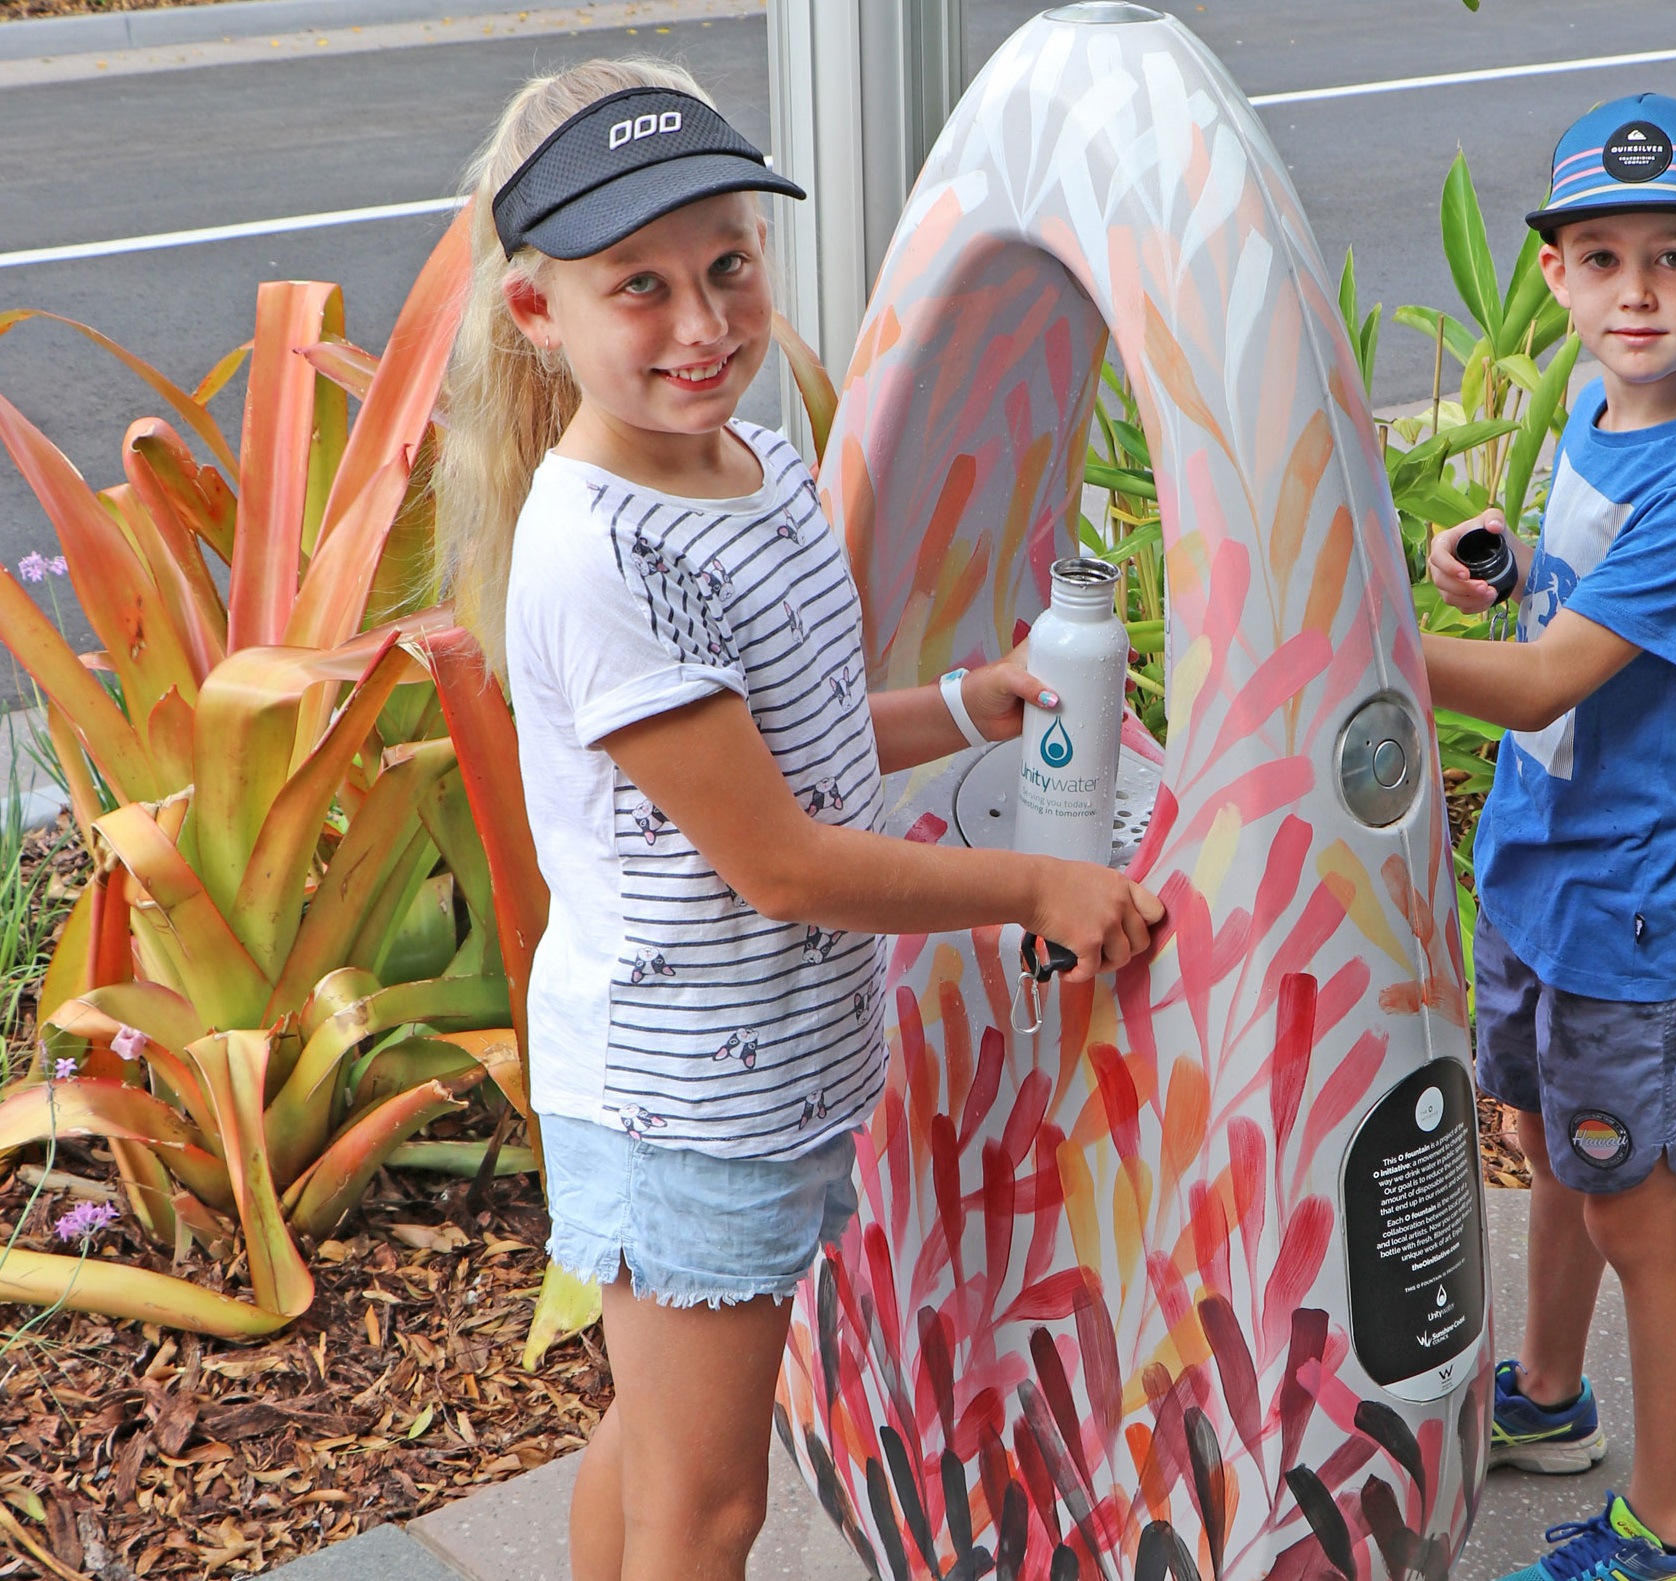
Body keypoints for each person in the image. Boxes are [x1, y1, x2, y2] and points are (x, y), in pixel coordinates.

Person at [434, 60, 1165, 1581]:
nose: (702, 324)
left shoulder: (756, 466)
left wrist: (966, 701)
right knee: (707, 1510)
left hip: (770, 1072)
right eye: (640, 287)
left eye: (728, 265)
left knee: (652, 1444)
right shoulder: (608, 560)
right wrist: (1037, 887)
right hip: (684, 1105)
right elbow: (778, 862)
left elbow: (800, 744)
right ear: (538, 312)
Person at [1421, 94, 1676, 1581]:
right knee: (1546, 1150)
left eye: (1674, 258)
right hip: (1538, 871)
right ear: (1558, 276)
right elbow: (1567, 595)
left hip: (1630, 913)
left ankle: (1661, 1533)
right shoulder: (1599, 407)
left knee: (1632, 1210)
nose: (1637, 293)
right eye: (1603, 259)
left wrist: (1350, 629)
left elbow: (1542, 683)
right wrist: (1503, 564)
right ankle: (1550, 1397)